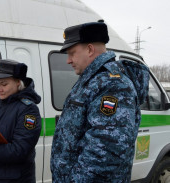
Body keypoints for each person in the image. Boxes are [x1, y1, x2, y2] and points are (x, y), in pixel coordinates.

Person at [50, 21, 150, 182]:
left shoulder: (113, 85)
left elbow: (106, 152)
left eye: (72, 53)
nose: (68, 60)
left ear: (90, 49)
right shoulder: (92, 80)